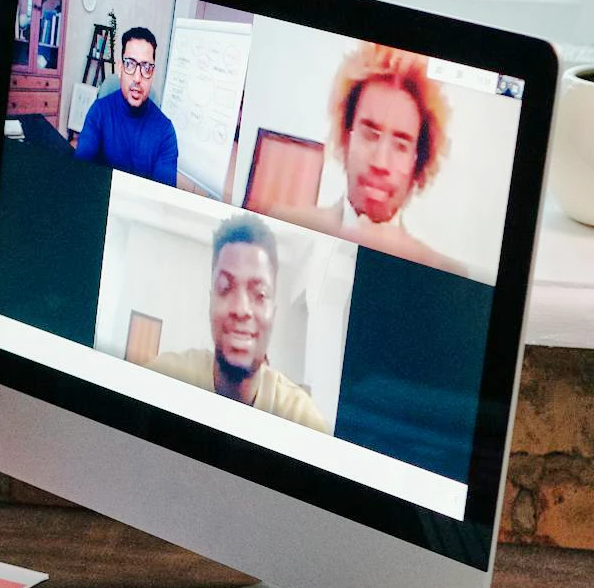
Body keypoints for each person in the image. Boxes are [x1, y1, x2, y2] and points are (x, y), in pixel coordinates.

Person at [277, 42, 461, 270]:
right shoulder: (283, 230)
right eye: (369, 135)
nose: (380, 162)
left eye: (400, 146)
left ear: (419, 161)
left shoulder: (443, 274)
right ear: (346, 136)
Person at [146, 213, 328, 430]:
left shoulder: (301, 421)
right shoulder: (162, 381)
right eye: (225, 288)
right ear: (210, 302)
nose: (241, 310)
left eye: (259, 294)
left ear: (273, 313)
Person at [74, 25, 179, 185]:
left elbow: (162, 201)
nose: (137, 77)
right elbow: (80, 175)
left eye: (146, 67)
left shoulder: (166, 132)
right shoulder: (99, 113)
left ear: (152, 74)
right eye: (130, 64)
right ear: (120, 68)